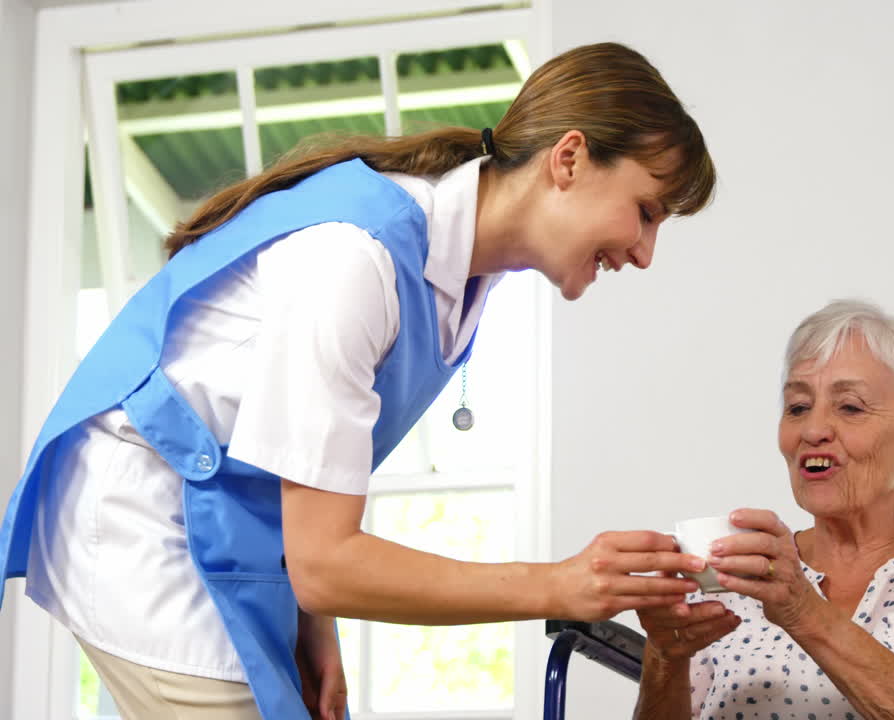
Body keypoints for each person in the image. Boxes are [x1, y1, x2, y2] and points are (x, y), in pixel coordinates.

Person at [0, 42, 716, 720]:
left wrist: (314, 620)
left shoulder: (461, 277)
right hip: (140, 515)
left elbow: (308, 474)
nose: (645, 253)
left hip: (232, 527)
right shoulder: (355, 259)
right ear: (570, 159)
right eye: (646, 211)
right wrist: (558, 585)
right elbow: (325, 562)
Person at [633, 299, 894, 720]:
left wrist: (803, 610)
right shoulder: (739, 573)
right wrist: (665, 658)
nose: (812, 430)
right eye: (798, 407)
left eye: (850, 407)